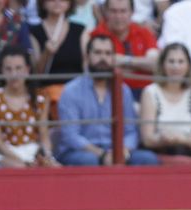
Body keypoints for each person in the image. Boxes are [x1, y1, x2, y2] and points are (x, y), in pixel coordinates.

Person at [55, 34, 160, 163]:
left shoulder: (123, 90)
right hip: (81, 152)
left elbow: (131, 131)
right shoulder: (71, 91)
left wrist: (122, 151)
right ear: (87, 57)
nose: (103, 58)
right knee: (89, 161)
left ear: (113, 59)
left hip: (117, 150)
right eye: (98, 53)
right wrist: (102, 154)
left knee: (148, 159)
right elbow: (71, 136)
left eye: (108, 54)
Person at [0, 48, 57, 164]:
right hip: (5, 154)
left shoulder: (40, 97)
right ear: (2, 71)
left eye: (19, 68)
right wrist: (24, 161)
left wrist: (45, 155)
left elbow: (44, 135)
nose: (14, 74)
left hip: (33, 150)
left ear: (27, 70)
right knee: (18, 167)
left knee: (55, 167)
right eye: (8, 69)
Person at [138, 41, 191, 157]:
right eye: (171, 61)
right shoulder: (150, 92)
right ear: (163, 64)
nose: (176, 67)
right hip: (160, 152)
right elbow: (147, 138)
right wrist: (177, 139)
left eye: (181, 62)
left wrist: (179, 139)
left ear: (188, 65)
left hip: (189, 152)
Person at [87, 0, 160, 95]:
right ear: (105, 12)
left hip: (145, 93)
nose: (118, 16)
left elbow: (156, 65)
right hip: (109, 92)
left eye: (123, 11)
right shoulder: (96, 34)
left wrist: (124, 61)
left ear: (132, 12)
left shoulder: (144, 33)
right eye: (113, 11)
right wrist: (141, 64)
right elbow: (96, 66)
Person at [31, 0, 84, 100]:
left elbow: (86, 67)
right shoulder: (33, 32)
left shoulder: (80, 31)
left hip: (77, 94)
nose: (57, 2)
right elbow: (36, 73)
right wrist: (46, 53)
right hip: (47, 96)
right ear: (43, 3)